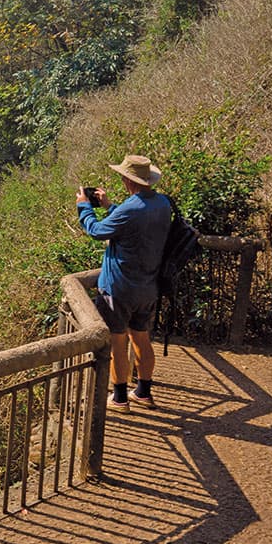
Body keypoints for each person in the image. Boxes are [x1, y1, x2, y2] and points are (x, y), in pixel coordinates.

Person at [77, 155, 172, 412]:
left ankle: (119, 399)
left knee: (117, 341)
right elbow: (133, 222)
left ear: (128, 181)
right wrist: (110, 206)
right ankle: (143, 393)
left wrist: (84, 207)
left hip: (118, 289)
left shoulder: (131, 209)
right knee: (141, 337)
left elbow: (97, 231)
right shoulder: (163, 204)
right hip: (148, 286)